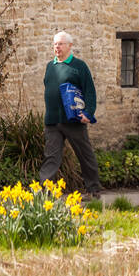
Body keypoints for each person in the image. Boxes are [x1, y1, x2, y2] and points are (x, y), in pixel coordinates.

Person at [38, 30, 102, 198]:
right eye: (55, 44)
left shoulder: (79, 66)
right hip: (52, 121)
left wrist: (88, 112)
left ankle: (93, 190)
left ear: (70, 46)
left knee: (85, 155)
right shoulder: (50, 66)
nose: (57, 47)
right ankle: (45, 192)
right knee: (50, 157)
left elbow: (90, 92)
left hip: (74, 120)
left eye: (60, 44)